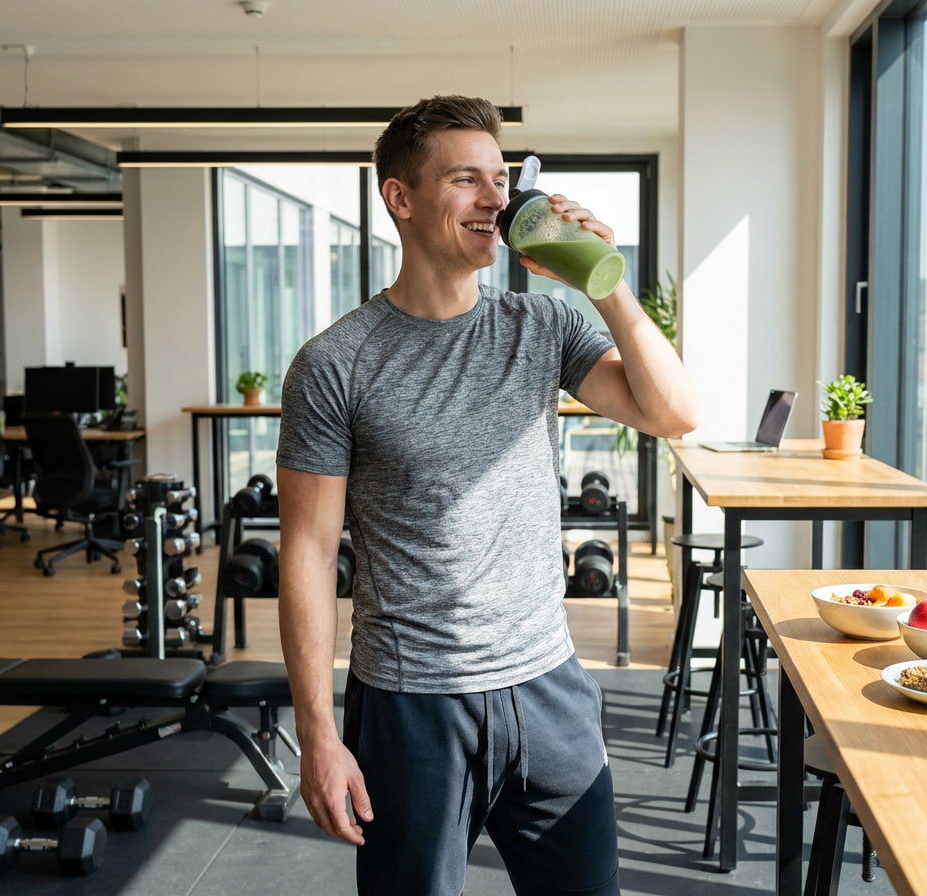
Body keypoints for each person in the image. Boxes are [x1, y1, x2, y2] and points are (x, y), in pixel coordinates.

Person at [275, 94, 698, 896]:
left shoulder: (542, 326)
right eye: (466, 180)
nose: (497, 200)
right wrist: (318, 735)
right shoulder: (336, 364)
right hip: (411, 705)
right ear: (400, 198)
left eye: (500, 179)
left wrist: (602, 279)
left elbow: (673, 411)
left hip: (549, 688)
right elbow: (306, 552)